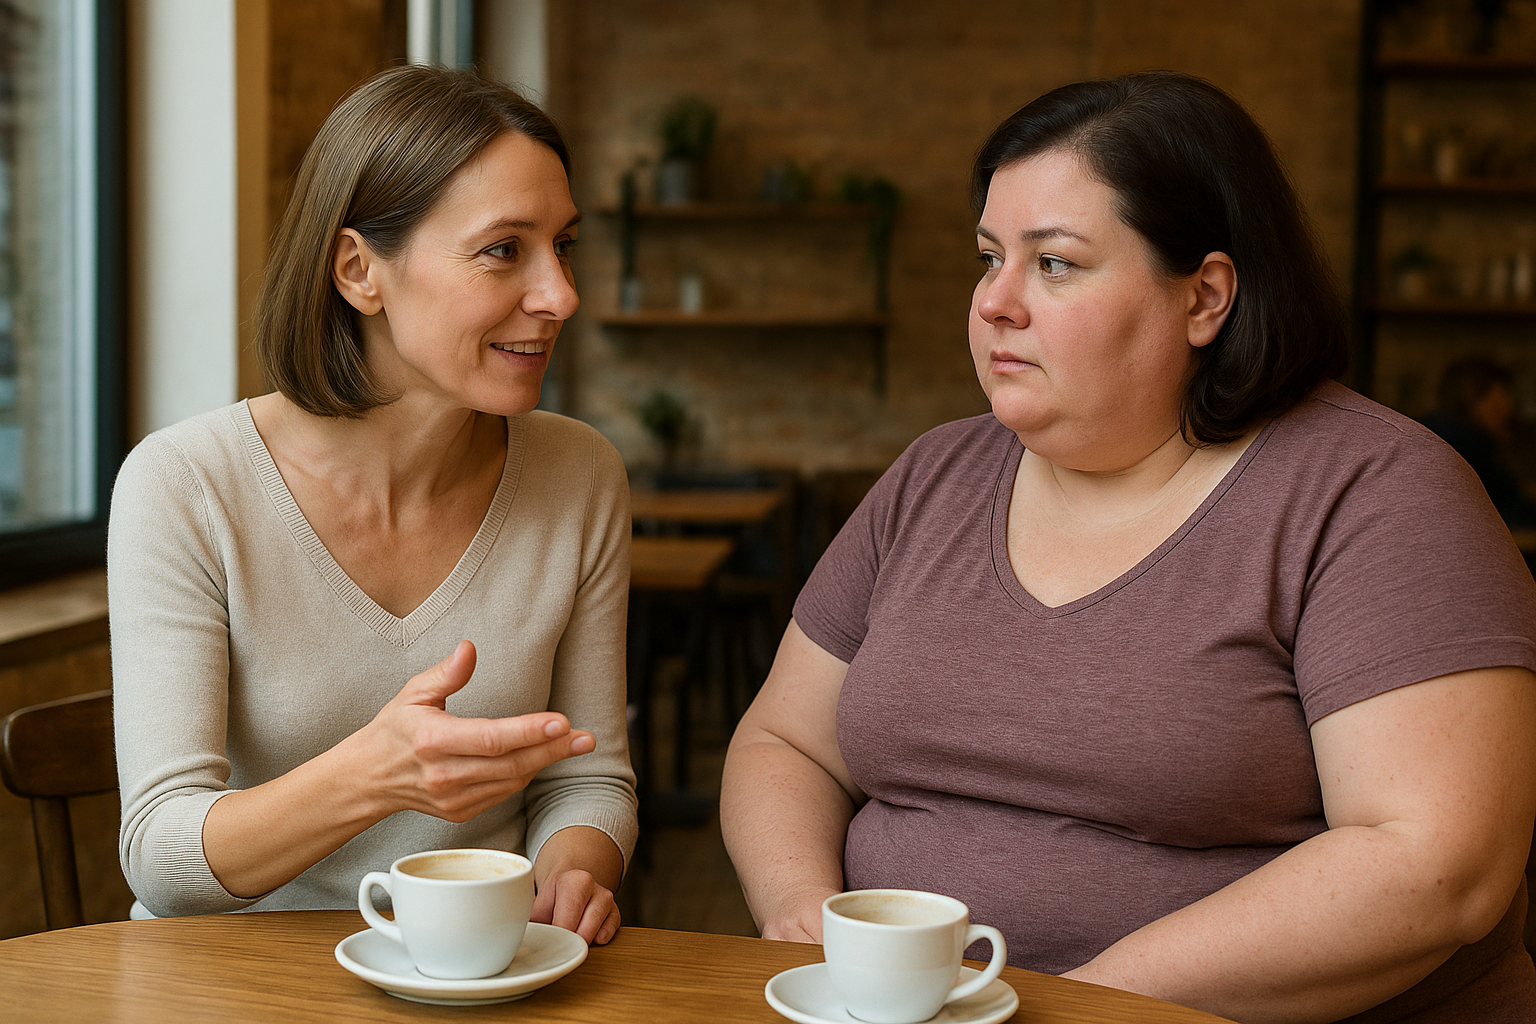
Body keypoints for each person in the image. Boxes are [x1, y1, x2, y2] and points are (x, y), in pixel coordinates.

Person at [720, 71, 1536, 1023]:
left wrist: (1068, 1008)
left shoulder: (1377, 493)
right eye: (989, 258)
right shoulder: (934, 475)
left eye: (1054, 263)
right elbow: (785, 742)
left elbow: (1438, 864)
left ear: (1205, 298)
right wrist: (801, 911)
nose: (995, 303)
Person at [109, 65, 636, 945]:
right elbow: (161, 857)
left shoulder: (579, 474)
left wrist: (570, 879)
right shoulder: (183, 484)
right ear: (360, 270)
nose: (561, 295)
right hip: (227, 981)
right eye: (504, 249)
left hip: (475, 971)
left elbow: (586, 779)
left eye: (564, 245)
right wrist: (373, 776)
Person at [1422, 356, 1536, 530]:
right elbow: (1505, 511)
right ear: (1474, 397)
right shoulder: (1466, 449)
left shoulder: (1430, 434)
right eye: (1500, 397)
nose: (1507, 408)